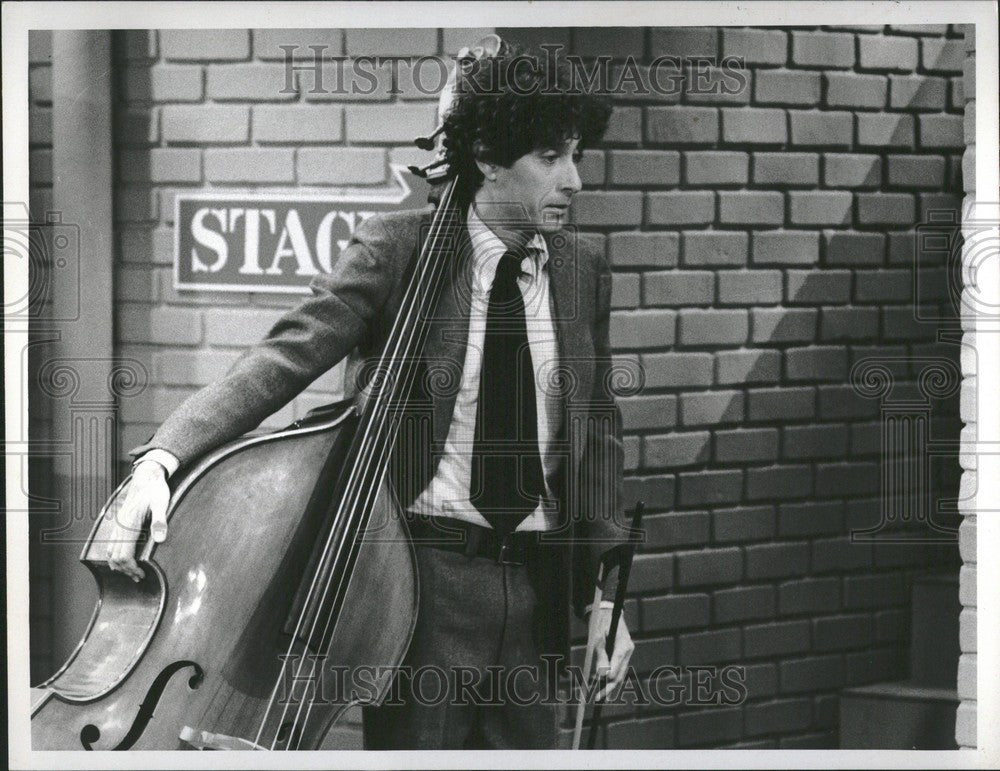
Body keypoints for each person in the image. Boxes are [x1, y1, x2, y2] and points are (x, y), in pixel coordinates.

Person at [106, 44, 634, 750]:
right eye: (548, 156)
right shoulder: (398, 249)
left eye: (576, 155)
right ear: (486, 154)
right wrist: (162, 459)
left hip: (536, 592)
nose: (573, 179)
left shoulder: (581, 270)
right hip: (423, 585)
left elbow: (596, 432)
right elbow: (281, 359)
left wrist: (606, 592)